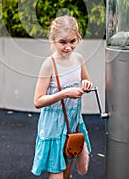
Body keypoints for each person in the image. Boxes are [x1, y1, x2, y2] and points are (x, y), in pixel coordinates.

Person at [31, 15, 93, 178]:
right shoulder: (49, 65)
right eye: (62, 42)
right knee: (57, 173)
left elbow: (86, 80)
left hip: (73, 122)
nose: (68, 47)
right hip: (54, 126)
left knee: (66, 172)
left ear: (78, 38)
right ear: (53, 39)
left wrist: (86, 85)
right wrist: (65, 93)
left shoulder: (78, 59)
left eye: (72, 41)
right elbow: (38, 101)